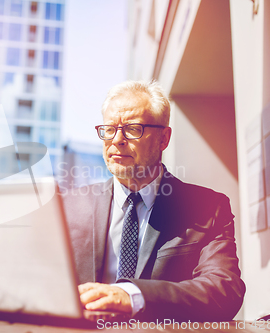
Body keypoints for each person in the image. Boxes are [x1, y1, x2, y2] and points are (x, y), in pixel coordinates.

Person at [63, 80, 245, 322]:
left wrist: (132, 296)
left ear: (163, 139)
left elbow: (224, 290)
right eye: (109, 129)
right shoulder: (68, 207)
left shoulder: (208, 208)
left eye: (132, 129)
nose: (117, 139)